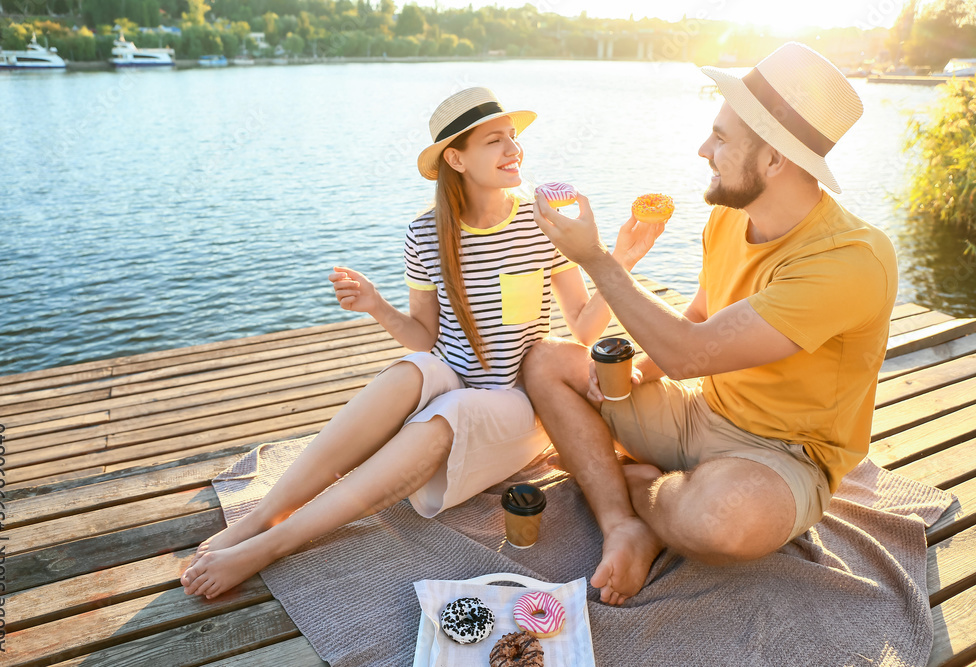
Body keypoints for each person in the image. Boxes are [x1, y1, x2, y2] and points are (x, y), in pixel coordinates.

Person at [180, 86, 659, 599]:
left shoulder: (542, 223)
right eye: (495, 141)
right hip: (452, 374)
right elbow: (424, 336)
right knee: (409, 370)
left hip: (518, 400)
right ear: (456, 158)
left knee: (446, 411)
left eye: (513, 138)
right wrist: (376, 305)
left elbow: (583, 330)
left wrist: (621, 261)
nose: (513, 150)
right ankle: (261, 518)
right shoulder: (425, 233)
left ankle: (269, 546)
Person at [524, 42, 898, 606]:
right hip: (700, 413)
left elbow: (688, 350)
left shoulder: (851, 260)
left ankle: (635, 485)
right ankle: (623, 522)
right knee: (548, 360)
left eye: (721, 138)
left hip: (781, 457)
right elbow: (699, 315)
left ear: (774, 159)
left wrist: (598, 259)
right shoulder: (728, 216)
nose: (703, 150)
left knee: (722, 523)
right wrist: (641, 373)